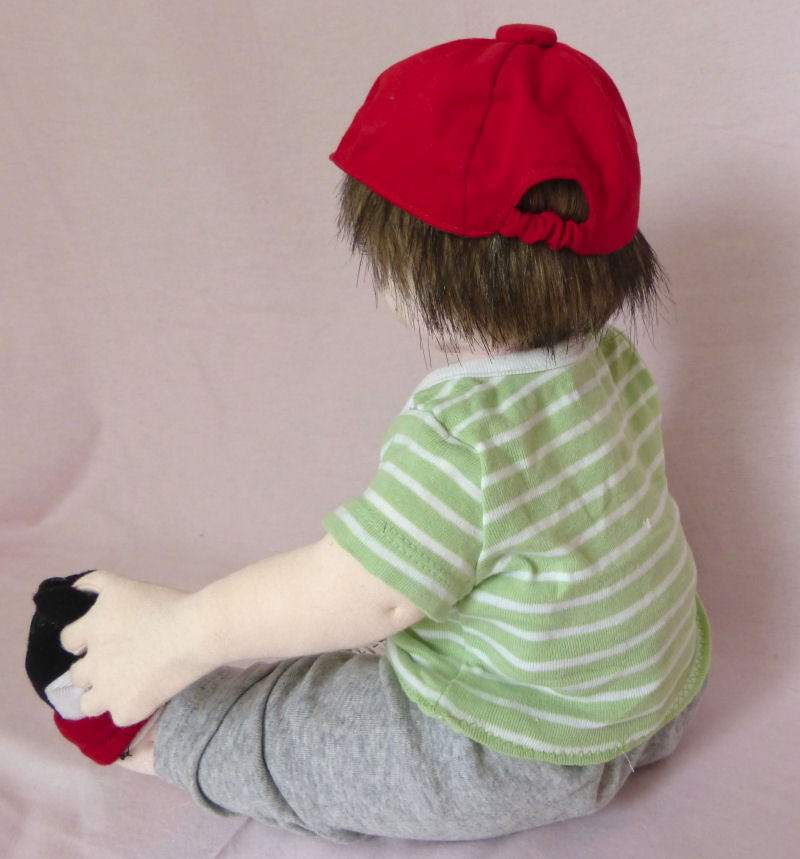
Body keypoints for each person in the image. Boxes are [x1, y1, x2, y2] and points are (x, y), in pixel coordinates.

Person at [56, 24, 710, 842]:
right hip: (657, 692)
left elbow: (366, 592)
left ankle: (172, 736)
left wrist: (182, 630)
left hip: (520, 749)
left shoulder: (461, 435)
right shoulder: (610, 363)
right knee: (374, 654)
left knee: (314, 739)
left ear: (429, 277)